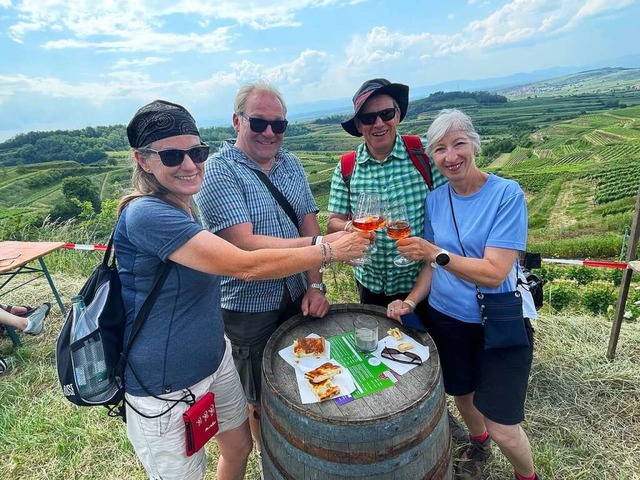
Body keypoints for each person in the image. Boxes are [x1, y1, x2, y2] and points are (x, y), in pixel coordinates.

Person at [115, 99, 369, 480]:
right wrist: (328, 249)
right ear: (142, 160)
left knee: (239, 447)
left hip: (214, 359)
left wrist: (317, 260)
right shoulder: (148, 213)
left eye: (195, 152)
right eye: (172, 156)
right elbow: (245, 263)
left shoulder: (183, 205)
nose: (188, 164)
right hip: (165, 381)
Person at [386, 109, 540, 480]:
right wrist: (411, 300)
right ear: (433, 158)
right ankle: (478, 442)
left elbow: (494, 272)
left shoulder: (505, 194)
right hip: (447, 319)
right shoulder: (436, 200)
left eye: (458, 144)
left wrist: (434, 253)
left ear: (475, 144)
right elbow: (430, 268)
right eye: (440, 149)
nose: (451, 156)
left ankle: (527, 475)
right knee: (463, 394)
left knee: (504, 424)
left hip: (498, 322)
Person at [195, 82, 343, 460]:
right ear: (237, 121)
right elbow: (243, 244)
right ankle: (272, 459)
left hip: (296, 293)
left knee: (304, 373)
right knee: (259, 394)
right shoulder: (218, 171)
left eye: (279, 126)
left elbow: (309, 224)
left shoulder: (291, 164)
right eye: (259, 123)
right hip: (247, 304)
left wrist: (316, 286)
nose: (269, 133)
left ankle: (299, 446)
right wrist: (323, 250)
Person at [326, 78, 447, 315]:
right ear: (359, 125)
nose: (379, 123)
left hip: (423, 281)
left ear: (398, 115)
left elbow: (451, 209)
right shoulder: (347, 167)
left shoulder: (424, 154)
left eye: (386, 113)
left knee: (426, 347)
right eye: (369, 118)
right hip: (370, 283)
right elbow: (333, 222)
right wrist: (351, 227)